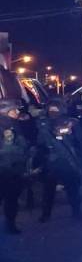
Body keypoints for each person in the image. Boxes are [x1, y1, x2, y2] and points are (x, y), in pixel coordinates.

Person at [36, 98, 82, 221]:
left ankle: (76, 211)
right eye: (51, 109)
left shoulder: (71, 122)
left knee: (72, 188)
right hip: (51, 161)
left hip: (67, 160)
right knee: (48, 189)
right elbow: (39, 142)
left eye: (56, 109)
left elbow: (80, 140)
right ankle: (46, 214)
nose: (53, 112)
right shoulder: (43, 123)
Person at [0, 99, 28, 234]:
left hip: (13, 168)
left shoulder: (13, 124)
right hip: (5, 169)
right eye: (14, 109)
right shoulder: (5, 126)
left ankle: (10, 225)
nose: (17, 111)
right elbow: (7, 149)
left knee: (12, 199)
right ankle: (10, 226)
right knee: (10, 199)